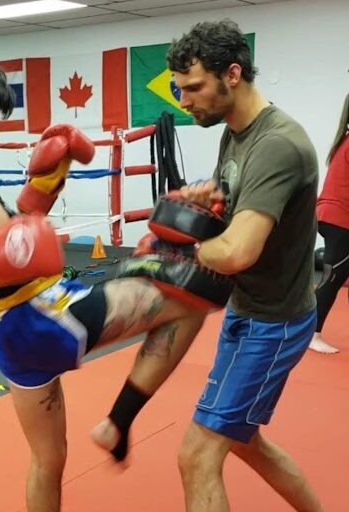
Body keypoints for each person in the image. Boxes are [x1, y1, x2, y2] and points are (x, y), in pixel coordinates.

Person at [0, 50, 219, 512]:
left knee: (49, 459)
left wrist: (47, 180)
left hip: (7, 332)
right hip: (39, 319)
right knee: (195, 292)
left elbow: (12, 233)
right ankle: (118, 422)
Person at [92, 20, 324, 512]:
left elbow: (238, 250)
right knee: (243, 441)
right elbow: (231, 214)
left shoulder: (277, 144)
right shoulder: (236, 135)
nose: (184, 100)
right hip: (247, 310)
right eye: (179, 88)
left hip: (275, 323)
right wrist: (209, 202)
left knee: (197, 455)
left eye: (194, 87)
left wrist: (171, 254)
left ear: (233, 74)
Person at [309, 93, 349, 354]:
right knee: (333, 277)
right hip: (339, 219)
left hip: (332, 216)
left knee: (337, 274)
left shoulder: (344, 140)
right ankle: (310, 333)